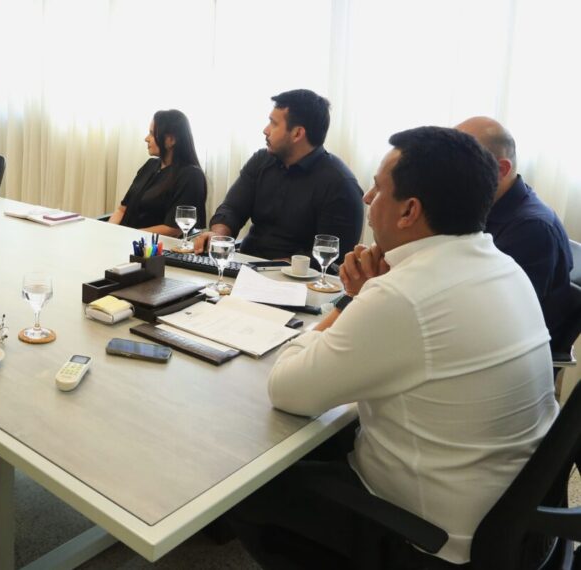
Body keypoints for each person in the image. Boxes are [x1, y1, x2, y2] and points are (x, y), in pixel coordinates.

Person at [229, 126, 558, 567]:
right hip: (512, 522)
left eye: (377, 188)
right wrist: (371, 297)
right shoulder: (505, 268)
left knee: (246, 482)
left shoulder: (404, 295)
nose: (367, 199)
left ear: (409, 211)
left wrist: (352, 300)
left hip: (430, 540)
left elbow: (286, 389)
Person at [194, 89, 363, 260]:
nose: (265, 130)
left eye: (273, 124)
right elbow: (232, 209)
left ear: (297, 133)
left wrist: (277, 268)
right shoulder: (261, 160)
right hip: (245, 263)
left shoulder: (340, 184)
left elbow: (332, 256)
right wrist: (218, 236)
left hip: (294, 274)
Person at [455, 116, 574, 340]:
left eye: (458, 163)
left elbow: (500, 316)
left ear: (500, 169)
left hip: (509, 348)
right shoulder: (483, 207)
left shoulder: (532, 230)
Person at [107, 109, 207, 236]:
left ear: (171, 140)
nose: (146, 139)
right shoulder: (150, 165)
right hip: (124, 237)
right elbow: (122, 210)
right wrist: (109, 231)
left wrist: (127, 235)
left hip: (150, 245)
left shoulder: (191, 176)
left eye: (152, 134)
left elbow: (173, 229)